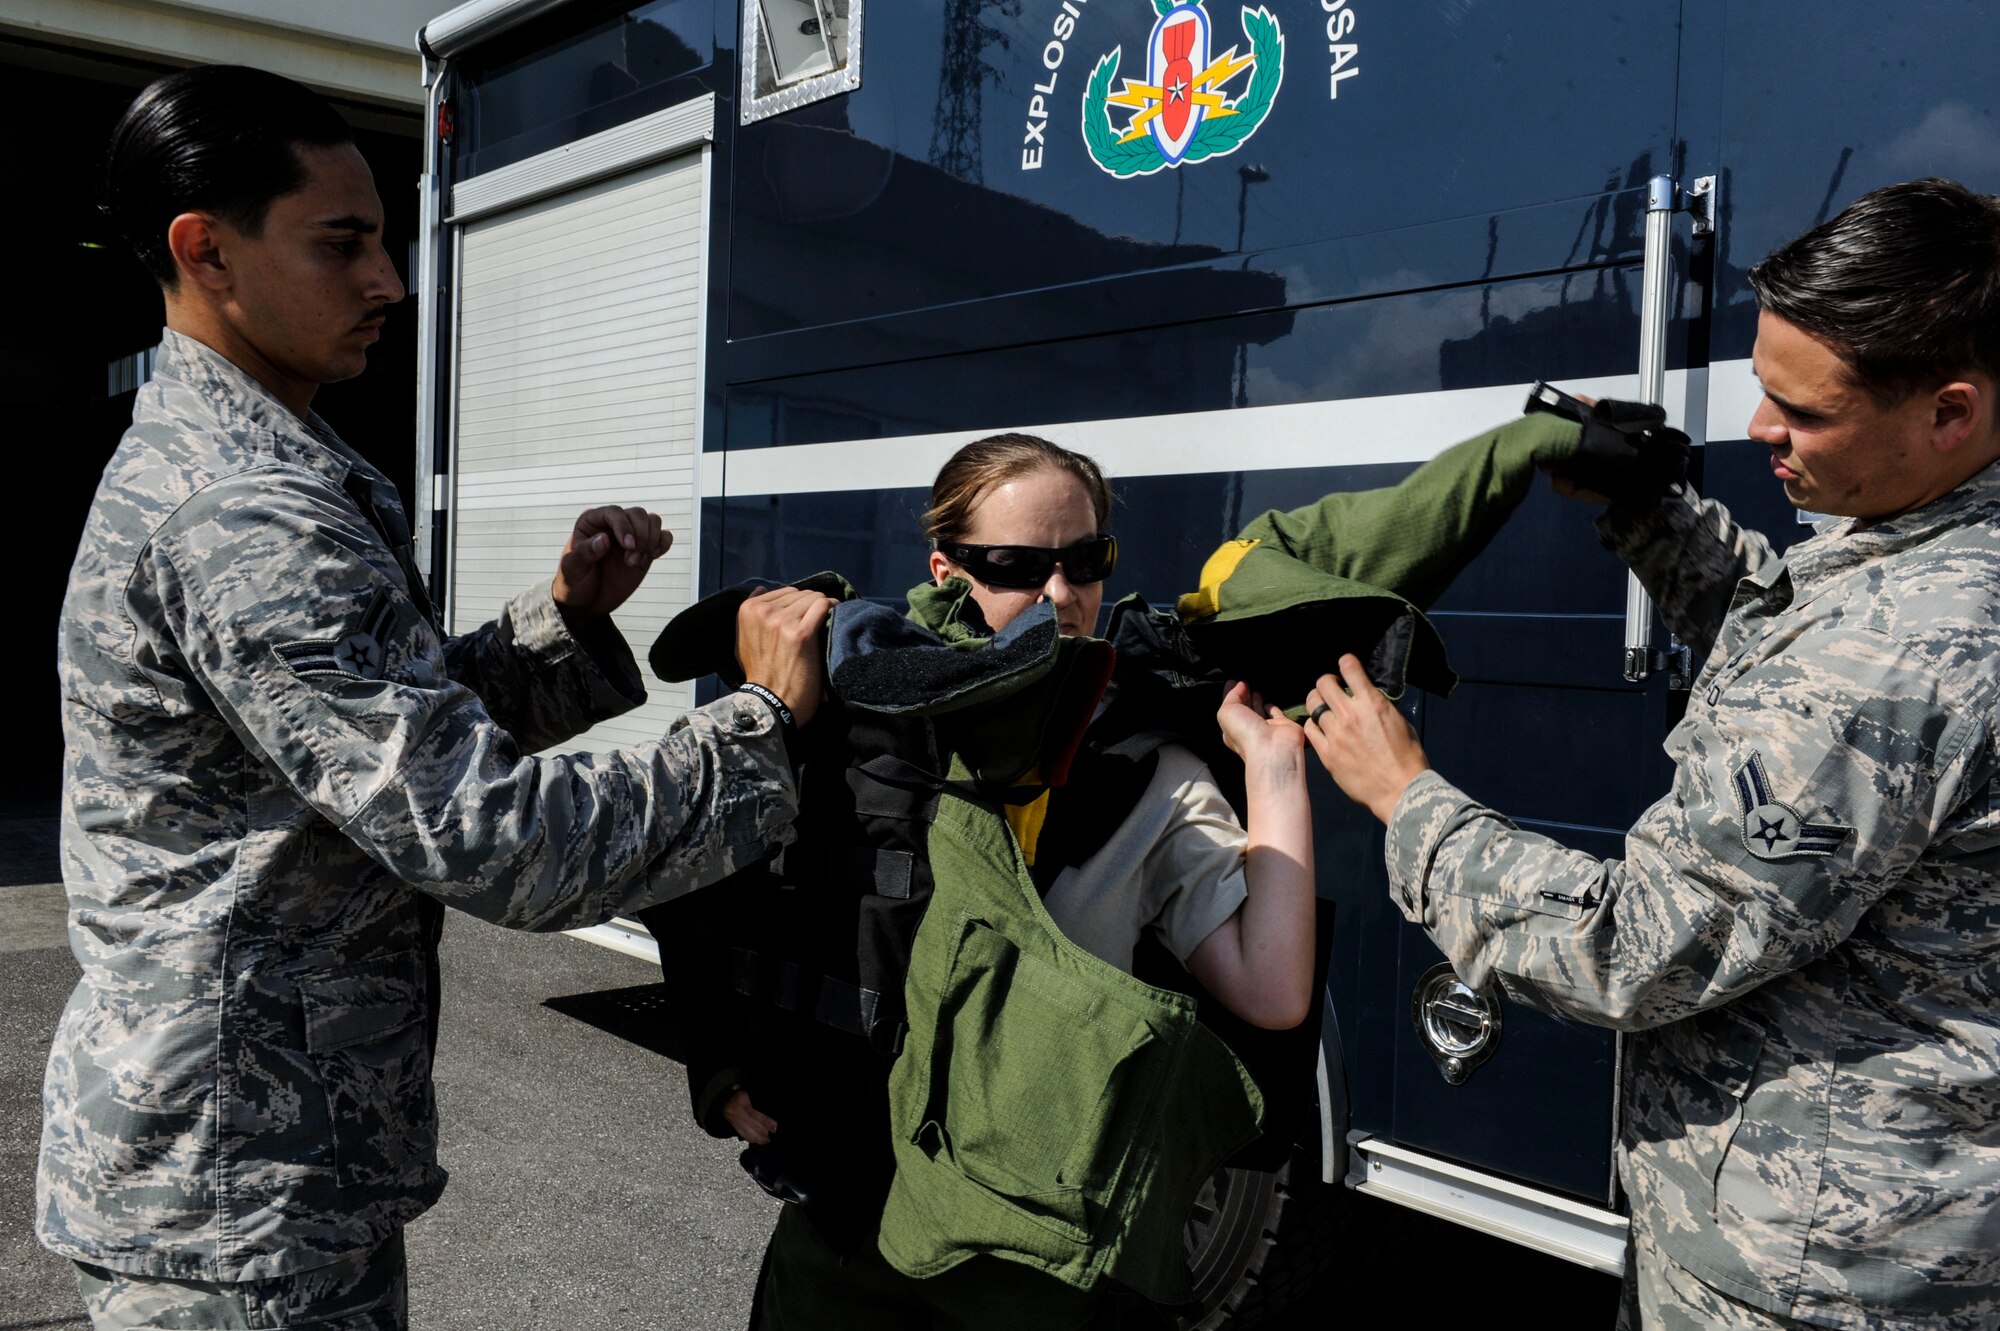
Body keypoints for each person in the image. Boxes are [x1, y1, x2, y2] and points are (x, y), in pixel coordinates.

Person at [43, 66, 829, 1330]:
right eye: (341, 243)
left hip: (255, 1162)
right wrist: (760, 727)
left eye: (386, 240)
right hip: (243, 1195)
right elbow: (492, 835)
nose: (389, 283)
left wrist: (563, 622)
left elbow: (364, 735)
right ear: (208, 252)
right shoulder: (246, 510)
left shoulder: (253, 461)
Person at [1305, 177, 2000, 1330]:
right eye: (1759, 389)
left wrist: (1407, 800)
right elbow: (1789, 645)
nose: (1759, 431)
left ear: (1948, 411)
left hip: (1806, 1277)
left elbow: (1633, 949)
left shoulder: (1912, 643)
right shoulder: (1921, 553)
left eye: (1802, 412)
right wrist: (1653, 511)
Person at [685, 433, 1317, 1329]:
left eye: (1085, 560)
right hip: (841, 1225)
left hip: (1023, 1262)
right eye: (1017, 565)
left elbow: (1272, 988)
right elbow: (716, 887)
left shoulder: (1148, 768)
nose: (1061, 596)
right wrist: (720, 1064)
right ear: (946, 566)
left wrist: (1276, 766)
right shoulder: (859, 710)